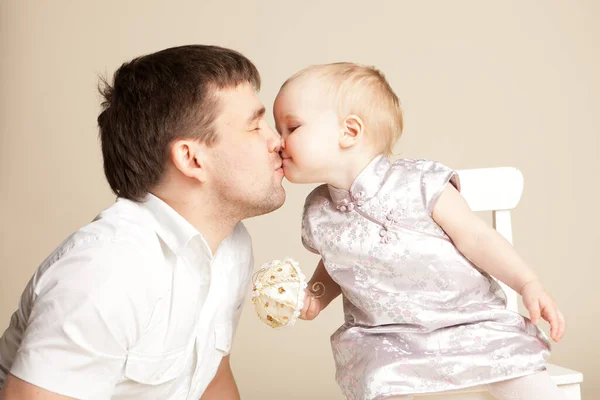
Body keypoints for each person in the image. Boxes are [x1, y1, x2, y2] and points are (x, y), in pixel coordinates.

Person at [0, 44, 285, 400]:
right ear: (191, 159)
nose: (278, 141)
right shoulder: (108, 270)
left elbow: (211, 381)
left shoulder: (231, 247)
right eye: (255, 126)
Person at [273, 62, 566, 400]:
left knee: (524, 378)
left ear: (349, 132)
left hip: (469, 325)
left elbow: (477, 237)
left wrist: (527, 282)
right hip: (387, 340)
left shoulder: (419, 182)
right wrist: (315, 294)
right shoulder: (318, 210)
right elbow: (338, 258)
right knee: (381, 377)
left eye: (291, 128)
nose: (278, 142)